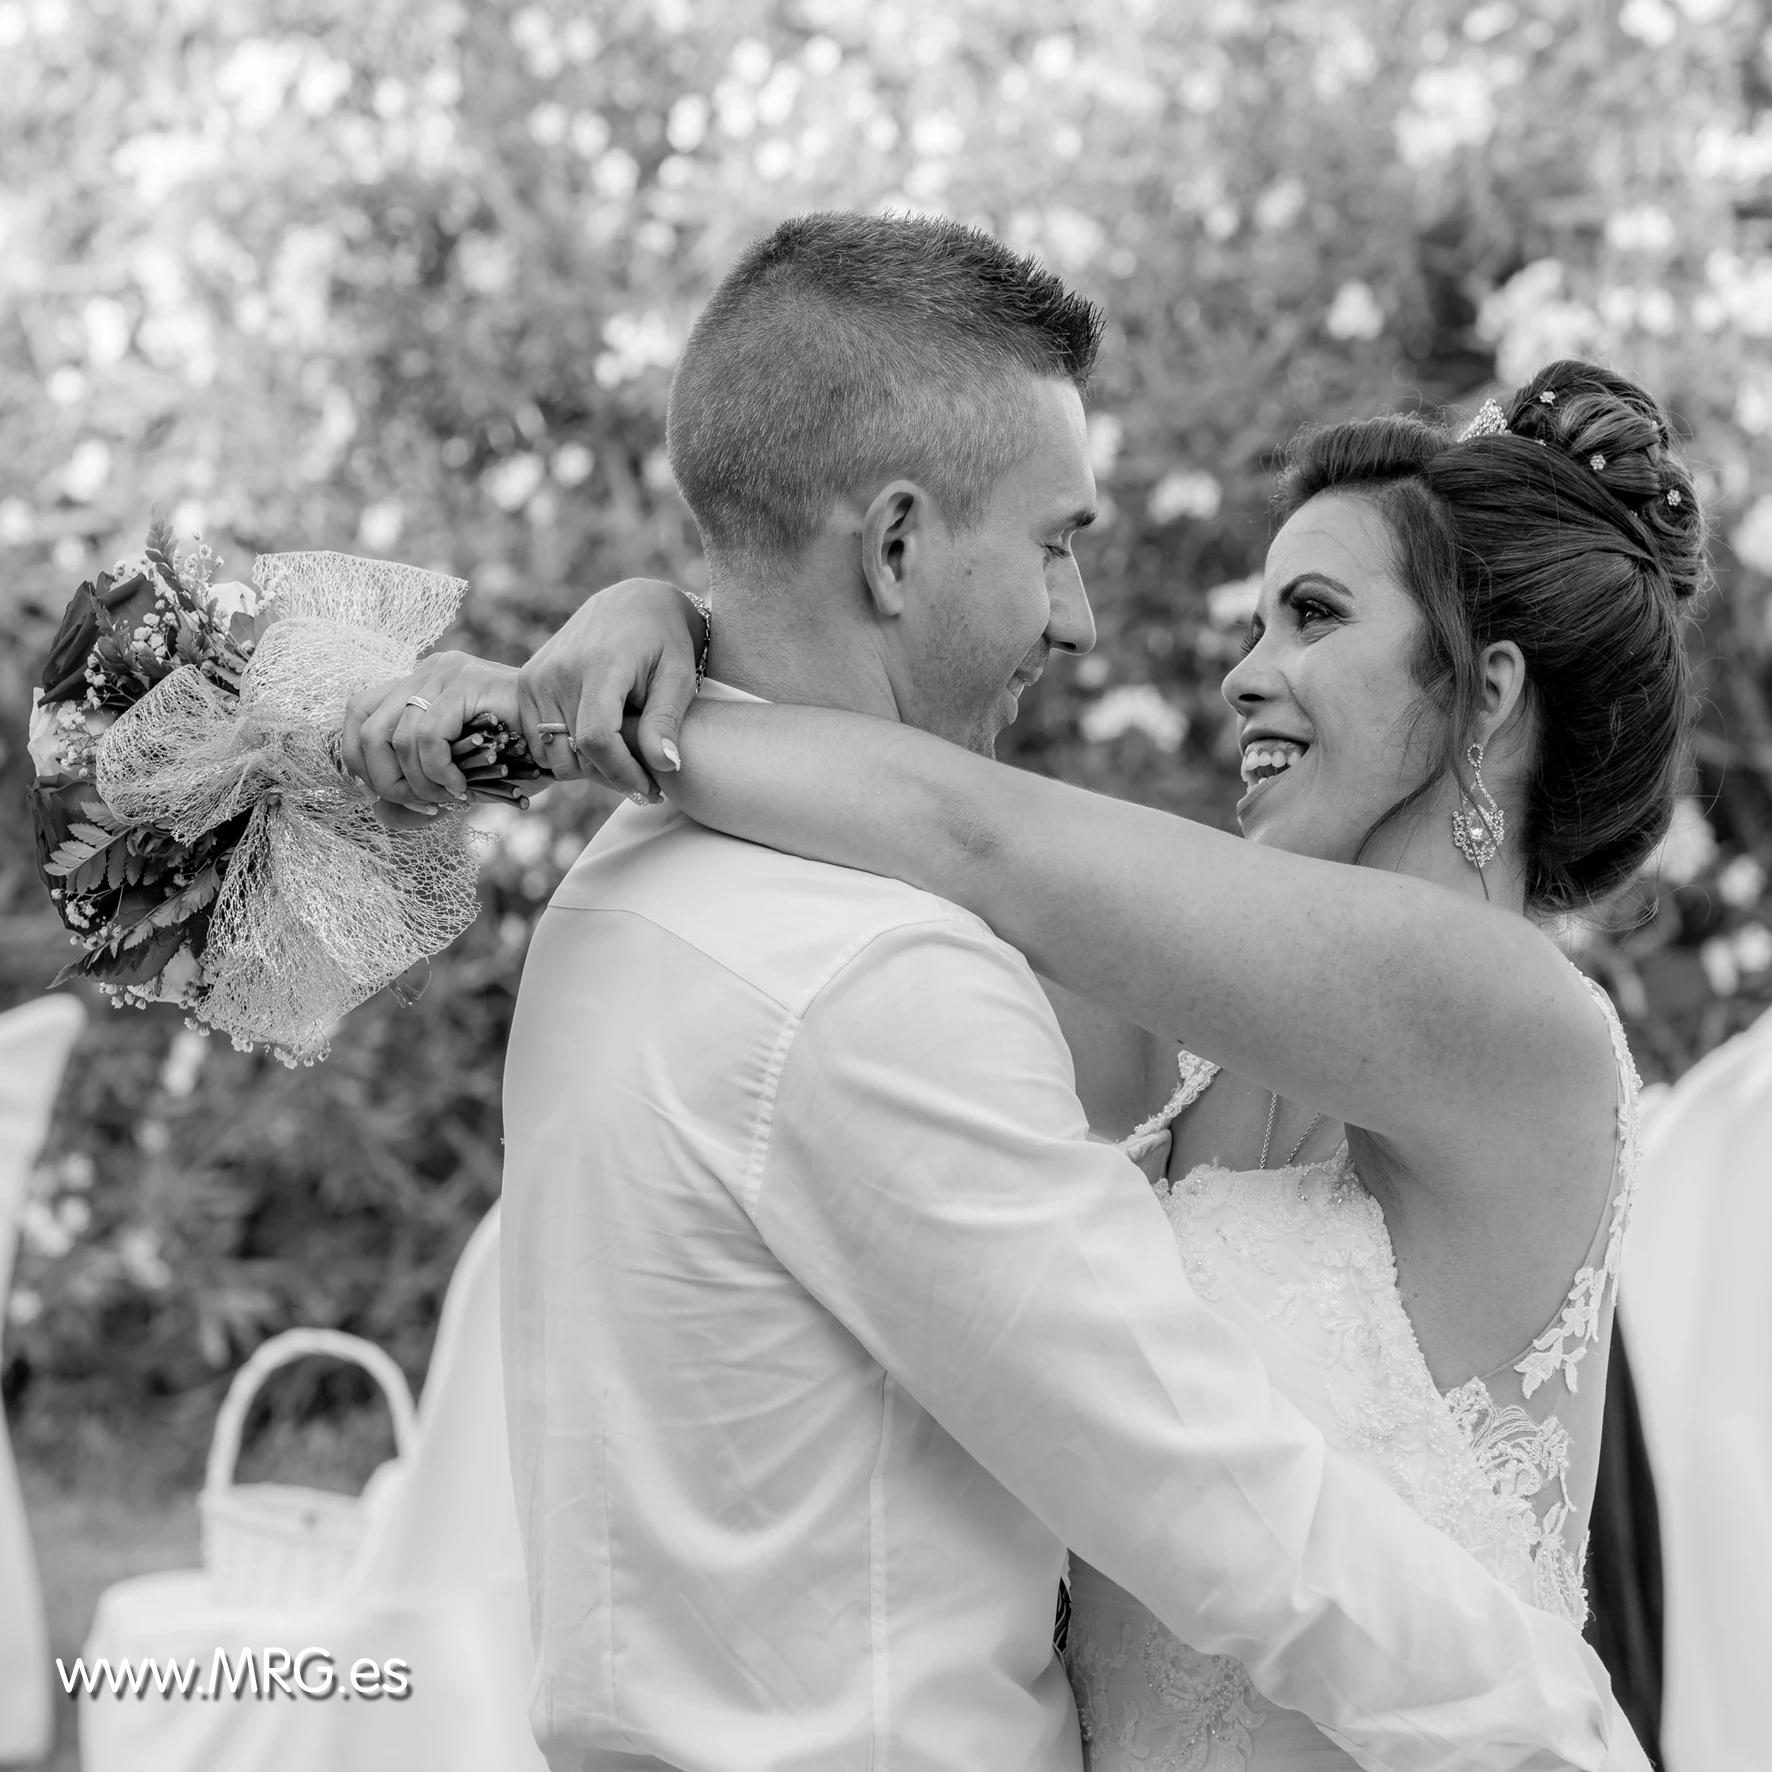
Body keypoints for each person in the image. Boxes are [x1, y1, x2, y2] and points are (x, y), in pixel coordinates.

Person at [346, 215, 1651, 1770]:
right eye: (1057, 545)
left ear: (1486, 693)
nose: (1230, 668)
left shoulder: (1509, 1018)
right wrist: (672, 633)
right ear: (897, 546)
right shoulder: (1114, 1031)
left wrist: (594, 692)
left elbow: (977, 833)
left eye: (1311, 616)